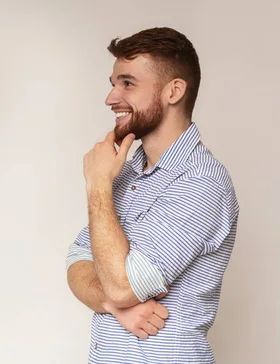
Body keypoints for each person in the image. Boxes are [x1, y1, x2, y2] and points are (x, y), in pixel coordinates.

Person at [66, 27, 240, 364]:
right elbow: (76, 262)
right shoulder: (127, 172)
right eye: (113, 83)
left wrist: (97, 185)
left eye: (127, 83)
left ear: (174, 91)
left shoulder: (202, 182)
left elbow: (123, 285)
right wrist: (113, 306)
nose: (111, 98)